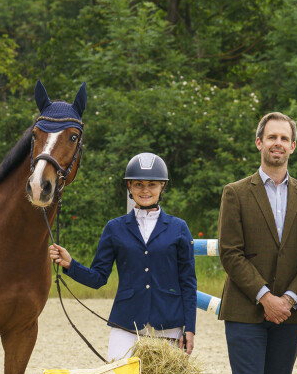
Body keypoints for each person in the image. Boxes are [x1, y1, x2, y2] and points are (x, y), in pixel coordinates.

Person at [217, 112, 297, 374]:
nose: (278, 143)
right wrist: (265, 297)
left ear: (293, 147)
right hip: (245, 312)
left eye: (284, 139)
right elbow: (230, 253)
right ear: (259, 142)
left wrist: (287, 300)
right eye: (272, 137)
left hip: (288, 316)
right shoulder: (235, 193)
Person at [49, 152, 196, 361]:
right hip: (126, 322)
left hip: (168, 323)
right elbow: (99, 277)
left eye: (152, 184)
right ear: (129, 187)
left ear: (162, 186)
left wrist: (190, 328)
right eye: (138, 184)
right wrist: (70, 264)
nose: (145, 190)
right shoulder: (114, 228)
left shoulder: (179, 228)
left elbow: (188, 282)